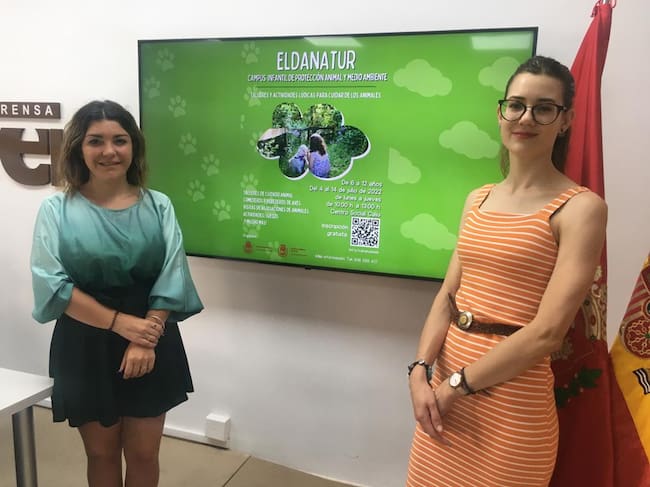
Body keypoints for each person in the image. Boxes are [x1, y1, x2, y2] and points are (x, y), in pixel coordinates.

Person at [405, 56, 607, 487]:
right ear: (501, 112)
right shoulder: (477, 199)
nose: (525, 118)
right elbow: (447, 297)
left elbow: (547, 333)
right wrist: (420, 370)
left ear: (566, 120)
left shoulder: (581, 208)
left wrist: (456, 384)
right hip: (443, 399)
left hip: (512, 409)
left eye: (543, 108)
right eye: (516, 105)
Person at [30, 100, 203, 487]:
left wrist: (144, 337)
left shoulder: (159, 205)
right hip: (85, 339)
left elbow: (172, 274)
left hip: (151, 336)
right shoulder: (56, 209)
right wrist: (121, 324)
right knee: (101, 453)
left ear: (133, 146)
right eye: (96, 141)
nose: (109, 151)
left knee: (144, 454)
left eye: (120, 140)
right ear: (78, 147)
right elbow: (52, 283)